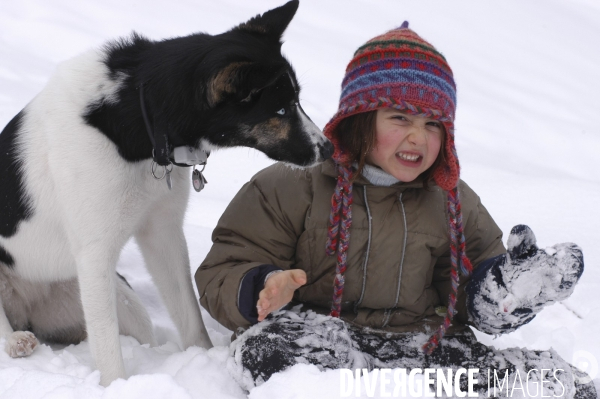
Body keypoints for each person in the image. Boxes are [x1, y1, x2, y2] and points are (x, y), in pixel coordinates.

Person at [195, 22, 595, 398]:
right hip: (322, 342)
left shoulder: (453, 201)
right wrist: (260, 287)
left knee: (559, 386)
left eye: (433, 124)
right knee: (266, 353)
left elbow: (473, 287)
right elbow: (224, 267)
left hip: (425, 348)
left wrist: (506, 291)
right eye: (400, 117)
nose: (417, 137)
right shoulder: (290, 185)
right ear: (359, 119)